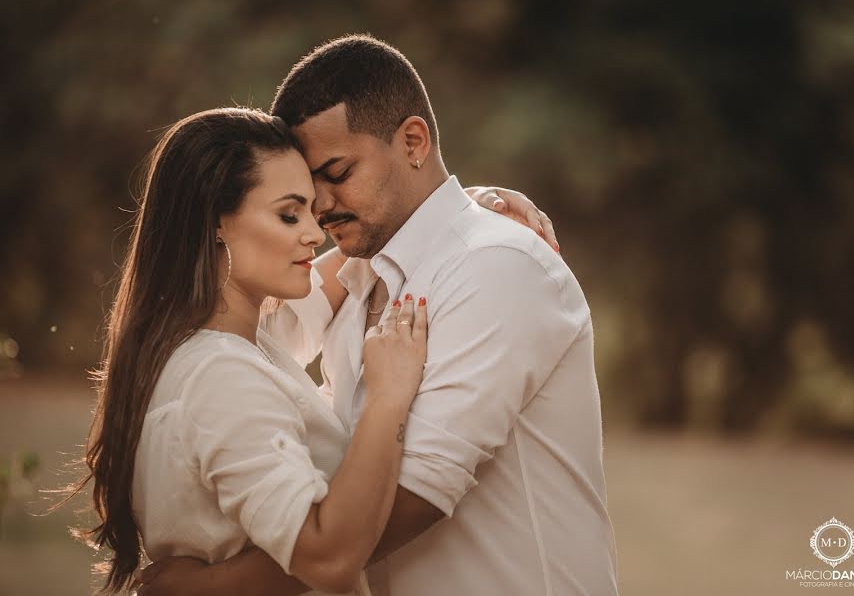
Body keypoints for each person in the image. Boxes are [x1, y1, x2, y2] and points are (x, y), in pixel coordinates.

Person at [138, 35, 618, 596]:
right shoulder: (362, 273)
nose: (319, 208)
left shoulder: (495, 268)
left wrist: (216, 589)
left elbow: (412, 498)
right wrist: (453, 205)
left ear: (414, 141)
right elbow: (235, 334)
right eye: (304, 191)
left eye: (336, 172)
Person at [71, 106, 543, 596]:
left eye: (312, 212)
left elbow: (347, 269)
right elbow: (329, 557)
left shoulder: (214, 345)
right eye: (288, 213)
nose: (316, 233)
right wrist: (387, 400)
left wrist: (450, 208)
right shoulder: (220, 373)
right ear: (214, 222)